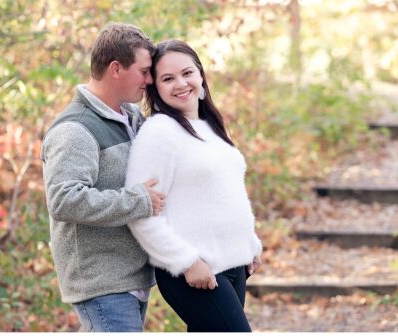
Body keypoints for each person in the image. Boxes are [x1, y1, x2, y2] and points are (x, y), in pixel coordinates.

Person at [125, 39, 263, 332]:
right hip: (195, 272)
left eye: (187, 73)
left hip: (234, 267)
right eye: (168, 78)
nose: (181, 84)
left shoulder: (210, 126)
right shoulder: (159, 132)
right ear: (156, 88)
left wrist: (249, 241)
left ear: (200, 74)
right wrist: (186, 262)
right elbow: (143, 212)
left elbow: (225, 191)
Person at [41, 23, 166, 332]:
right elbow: (64, 200)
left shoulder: (130, 117)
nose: (149, 81)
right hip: (102, 282)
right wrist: (137, 201)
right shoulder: (75, 130)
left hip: (130, 275)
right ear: (115, 69)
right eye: (144, 71)